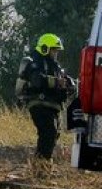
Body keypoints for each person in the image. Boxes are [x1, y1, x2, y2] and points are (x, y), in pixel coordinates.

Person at [15, 33, 77, 164]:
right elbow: (37, 80)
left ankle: (42, 166)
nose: (56, 53)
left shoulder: (54, 65)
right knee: (49, 133)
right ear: (45, 49)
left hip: (52, 106)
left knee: (53, 134)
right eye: (54, 50)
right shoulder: (35, 62)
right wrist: (57, 82)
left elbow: (63, 79)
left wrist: (69, 83)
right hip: (39, 103)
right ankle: (41, 167)